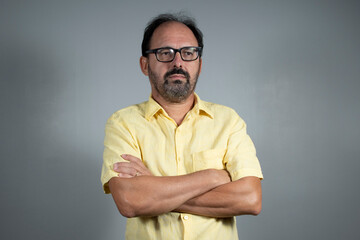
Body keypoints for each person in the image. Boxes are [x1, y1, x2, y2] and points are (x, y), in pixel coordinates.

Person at [101, 13, 263, 240]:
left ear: (199, 64)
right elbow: (130, 202)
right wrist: (213, 177)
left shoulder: (229, 121)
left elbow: (251, 200)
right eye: (165, 53)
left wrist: (154, 190)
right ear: (145, 65)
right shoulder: (123, 123)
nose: (178, 63)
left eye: (188, 53)